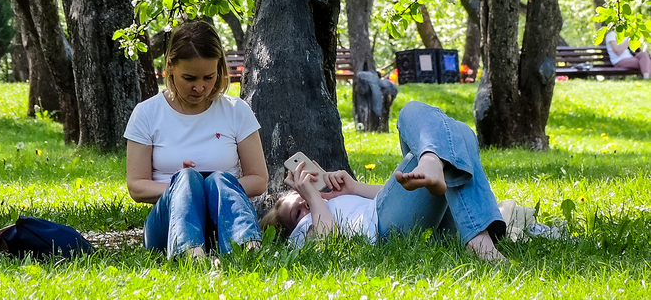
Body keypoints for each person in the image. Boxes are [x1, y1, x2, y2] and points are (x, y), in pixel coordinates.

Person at [261, 101, 507, 261]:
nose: (304, 205)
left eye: (301, 199)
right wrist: (314, 198)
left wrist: (353, 188)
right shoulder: (307, 230)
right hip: (386, 231)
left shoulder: (330, 203)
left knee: (451, 130)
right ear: (291, 231)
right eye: (297, 213)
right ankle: (477, 234)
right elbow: (329, 245)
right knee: (454, 136)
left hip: (428, 224)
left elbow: (397, 194)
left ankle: (434, 163)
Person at [125, 20, 268, 258]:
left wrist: (209, 187)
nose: (200, 87)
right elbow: (136, 186)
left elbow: (259, 180)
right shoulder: (147, 113)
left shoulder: (236, 110)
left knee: (220, 179)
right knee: (187, 178)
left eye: (208, 77)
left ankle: (246, 248)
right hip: (167, 226)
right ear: (170, 66)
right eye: (190, 78)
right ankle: (188, 252)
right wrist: (184, 187)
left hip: (224, 217)